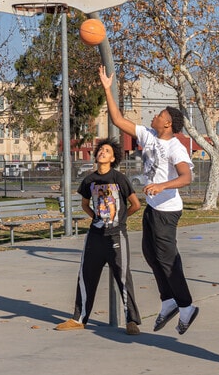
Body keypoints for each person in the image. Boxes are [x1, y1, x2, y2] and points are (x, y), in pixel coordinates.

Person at [98, 66, 199, 335]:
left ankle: (187, 306)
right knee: (150, 255)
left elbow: (186, 177)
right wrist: (108, 87)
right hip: (154, 208)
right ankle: (168, 301)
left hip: (167, 210)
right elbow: (118, 119)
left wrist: (162, 185)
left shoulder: (176, 146)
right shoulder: (149, 135)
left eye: (159, 115)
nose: (154, 116)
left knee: (168, 260)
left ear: (168, 124)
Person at [55, 138, 142, 335]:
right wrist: (95, 217)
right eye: (100, 149)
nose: (102, 152)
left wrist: (121, 219)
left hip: (116, 236)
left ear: (113, 158)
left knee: (123, 277)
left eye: (107, 150)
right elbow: (85, 204)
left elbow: (135, 204)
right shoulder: (89, 180)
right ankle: (79, 318)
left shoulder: (119, 178)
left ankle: (132, 321)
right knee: (86, 276)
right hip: (95, 236)